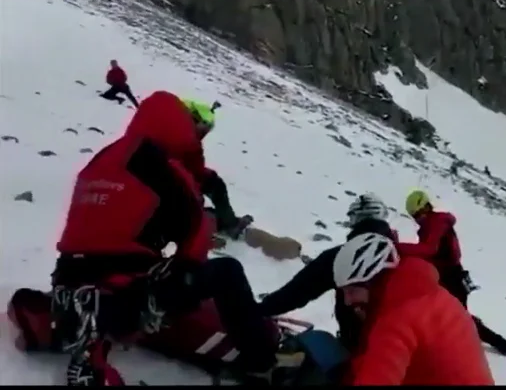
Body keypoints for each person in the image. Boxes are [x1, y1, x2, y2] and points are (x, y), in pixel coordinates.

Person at [7, 91, 300, 386]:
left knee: (125, 274)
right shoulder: (168, 170)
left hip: (68, 276)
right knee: (226, 272)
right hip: (123, 290)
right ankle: (262, 362)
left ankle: (85, 317)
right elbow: (195, 244)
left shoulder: (104, 157)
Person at [334, 232, 495, 385]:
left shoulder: (396, 318)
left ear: (373, 281)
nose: (347, 301)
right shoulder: (423, 289)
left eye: (352, 291)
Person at [398, 189, 506, 359]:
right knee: (444, 313)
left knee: (461, 319)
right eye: (415, 216)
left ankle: (503, 346)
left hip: (451, 278)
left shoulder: (437, 223)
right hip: (445, 276)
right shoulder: (431, 225)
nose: (418, 219)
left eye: (419, 214)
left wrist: (397, 247)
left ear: (426, 207)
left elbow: (428, 249)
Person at [260, 193, 395, 353]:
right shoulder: (407, 258)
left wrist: (260, 310)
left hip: (358, 352)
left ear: (355, 220)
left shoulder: (342, 257)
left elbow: (297, 291)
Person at [124, 95, 250, 239]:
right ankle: (225, 224)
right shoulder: (188, 142)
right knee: (212, 189)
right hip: (162, 192)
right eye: (203, 130)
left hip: (130, 178)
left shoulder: (148, 122)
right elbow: (194, 175)